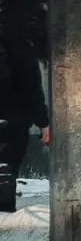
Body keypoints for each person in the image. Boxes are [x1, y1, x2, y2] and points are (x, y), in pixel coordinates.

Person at [0, 34, 49, 212]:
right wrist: (43, 122)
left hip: (14, 118)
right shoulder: (22, 49)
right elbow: (32, 91)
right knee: (7, 168)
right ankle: (4, 211)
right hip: (14, 120)